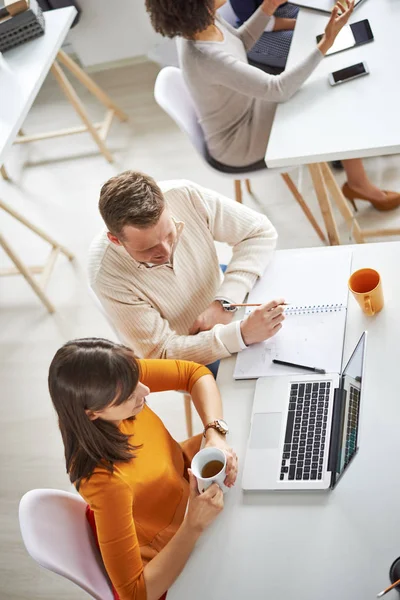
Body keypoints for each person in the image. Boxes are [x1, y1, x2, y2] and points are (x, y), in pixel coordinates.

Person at [145, 0, 400, 211]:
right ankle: (360, 182)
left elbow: (239, 44)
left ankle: (357, 177)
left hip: (248, 108)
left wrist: (267, 8)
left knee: (324, 86)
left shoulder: (203, 23)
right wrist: (326, 42)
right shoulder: (205, 55)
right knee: (326, 95)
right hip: (239, 142)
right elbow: (279, 89)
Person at [48, 337, 238, 600]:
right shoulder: (105, 482)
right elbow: (135, 594)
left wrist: (214, 432)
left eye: (136, 377)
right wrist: (193, 524)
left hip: (190, 490)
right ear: (92, 413)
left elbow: (194, 373)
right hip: (180, 546)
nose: (146, 390)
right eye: (129, 394)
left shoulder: (117, 375)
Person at [88, 171, 286, 367]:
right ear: (115, 240)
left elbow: (259, 231)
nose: (165, 251)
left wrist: (225, 302)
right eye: (148, 248)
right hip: (191, 350)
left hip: (227, 298)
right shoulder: (105, 275)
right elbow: (160, 354)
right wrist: (241, 335)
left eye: (169, 234)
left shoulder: (185, 195)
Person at [230, 0, 299, 71]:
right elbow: (257, 23)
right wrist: (297, 24)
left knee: (308, 26)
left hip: (284, 9)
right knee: (300, 45)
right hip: (253, 29)